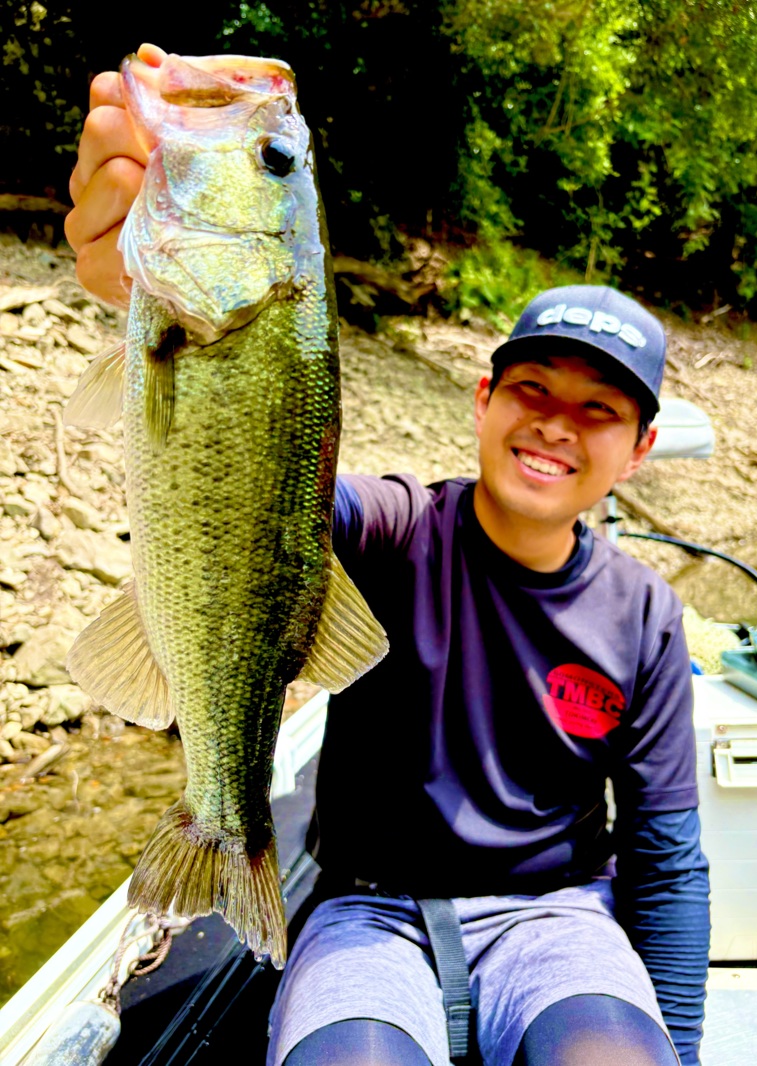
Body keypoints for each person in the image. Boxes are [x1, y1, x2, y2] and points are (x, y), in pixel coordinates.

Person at [66, 44, 710, 1066]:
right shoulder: (395, 527)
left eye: (598, 409)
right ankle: (221, 827)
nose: (555, 424)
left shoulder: (644, 613)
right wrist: (136, 289)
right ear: (483, 401)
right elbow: (275, 502)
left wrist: (681, 1044)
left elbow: (667, 864)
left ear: (637, 450)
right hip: (365, 912)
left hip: (558, 917)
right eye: (531, 389)